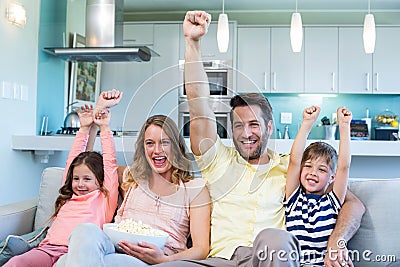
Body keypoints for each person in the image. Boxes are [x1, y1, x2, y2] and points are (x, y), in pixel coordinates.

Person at [154, 10, 365, 267]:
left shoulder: (293, 168)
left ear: (269, 127)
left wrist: (336, 242)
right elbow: (199, 106)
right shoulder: (216, 159)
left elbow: (352, 203)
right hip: (223, 260)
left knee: (275, 239)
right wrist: (192, 42)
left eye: (254, 124)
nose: (246, 133)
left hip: (271, 257)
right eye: (238, 126)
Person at [56, 92, 211, 266]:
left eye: (164, 142)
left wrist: (165, 259)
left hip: (152, 261)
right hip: (113, 248)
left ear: (176, 146)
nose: (157, 150)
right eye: (150, 143)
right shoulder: (132, 179)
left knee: (64, 262)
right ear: (143, 148)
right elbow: (86, 167)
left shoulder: (194, 189)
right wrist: (98, 115)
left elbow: (201, 248)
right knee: (85, 230)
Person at [4, 105, 119, 267]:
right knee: (15, 263)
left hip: (75, 254)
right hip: (47, 249)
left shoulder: (104, 198)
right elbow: (71, 159)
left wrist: (105, 128)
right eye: (76, 178)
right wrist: (84, 128)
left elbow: (110, 162)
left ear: (100, 180)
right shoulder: (69, 195)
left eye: (87, 179)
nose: (80, 184)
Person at [285, 106, 352, 266]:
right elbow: (294, 161)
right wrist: (307, 124)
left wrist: (344, 127)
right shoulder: (293, 199)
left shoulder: (332, 202)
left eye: (322, 169)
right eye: (308, 166)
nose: (313, 172)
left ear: (332, 178)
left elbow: (344, 166)